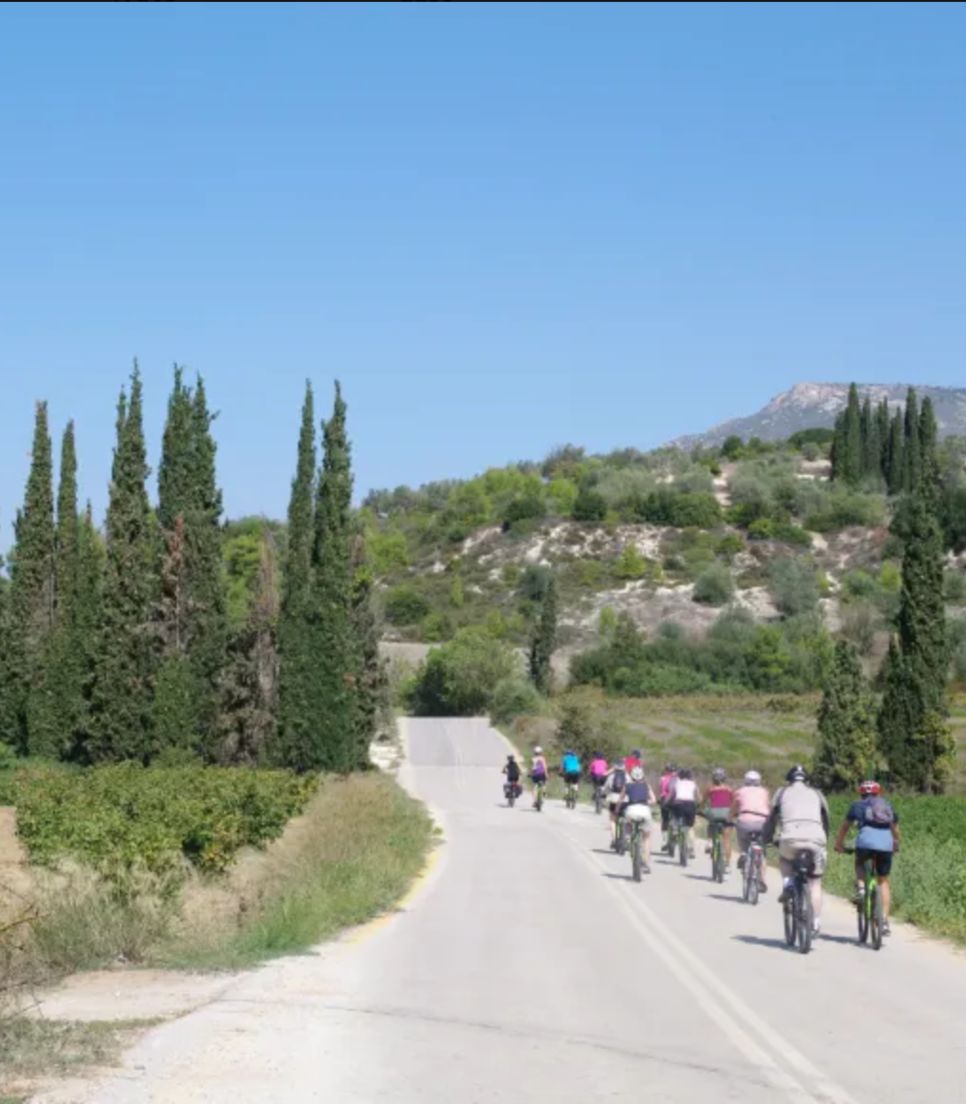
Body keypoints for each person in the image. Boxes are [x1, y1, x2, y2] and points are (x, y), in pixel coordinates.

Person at [763, 765, 829, 936]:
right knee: (815, 882)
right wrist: (824, 839)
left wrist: (767, 838)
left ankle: (788, 884)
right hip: (816, 838)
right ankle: (815, 922)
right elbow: (826, 817)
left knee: (785, 860)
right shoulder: (817, 793)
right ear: (806, 780)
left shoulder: (782, 793)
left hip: (790, 838)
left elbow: (772, 818)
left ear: (789, 779)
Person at [834, 780, 900, 935]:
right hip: (886, 844)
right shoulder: (887, 805)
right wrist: (896, 844)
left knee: (859, 863)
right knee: (883, 880)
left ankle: (862, 889)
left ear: (861, 793)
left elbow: (845, 827)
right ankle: (884, 921)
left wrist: (839, 844)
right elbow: (895, 828)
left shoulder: (857, 805)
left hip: (865, 842)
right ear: (879, 793)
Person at [731, 769, 770, 892]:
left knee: (742, 837)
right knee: (762, 852)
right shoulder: (764, 792)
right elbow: (768, 806)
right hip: (762, 822)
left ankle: (743, 853)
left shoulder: (740, 791)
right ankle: (762, 880)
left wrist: (729, 818)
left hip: (745, 820)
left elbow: (734, 808)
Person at [620, 765, 655, 872]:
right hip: (644, 811)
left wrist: (617, 809)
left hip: (631, 810)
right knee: (647, 837)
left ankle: (626, 839)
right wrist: (645, 802)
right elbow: (653, 800)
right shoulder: (647, 786)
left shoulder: (627, 785)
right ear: (642, 776)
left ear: (631, 776)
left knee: (627, 824)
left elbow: (620, 799)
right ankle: (645, 862)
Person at [704, 768, 734, 871]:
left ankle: (709, 842)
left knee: (710, 824)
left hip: (714, 813)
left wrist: (700, 809)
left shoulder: (710, 789)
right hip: (727, 813)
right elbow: (733, 802)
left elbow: (703, 802)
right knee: (727, 840)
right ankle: (727, 863)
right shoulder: (729, 789)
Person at [668, 767, 699, 858]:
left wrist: (666, 803)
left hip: (679, 803)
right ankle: (691, 848)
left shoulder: (677, 783)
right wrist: (699, 805)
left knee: (675, 818)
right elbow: (698, 796)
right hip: (690, 804)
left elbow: (671, 796)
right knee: (690, 827)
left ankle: (675, 830)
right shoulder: (693, 784)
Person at [605, 757, 628, 845]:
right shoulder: (627, 776)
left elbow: (606, 787)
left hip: (613, 799)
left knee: (612, 820)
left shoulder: (611, 776)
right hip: (624, 800)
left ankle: (614, 839)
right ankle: (625, 837)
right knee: (625, 818)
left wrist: (604, 794)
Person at [658, 762, 678, 852]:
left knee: (664, 820)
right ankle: (675, 830)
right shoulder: (678, 779)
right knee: (676, 817)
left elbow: (661, 791)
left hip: (665, 800)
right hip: (676, 801)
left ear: (666, 770)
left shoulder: (662, 778)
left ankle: (664, 841)